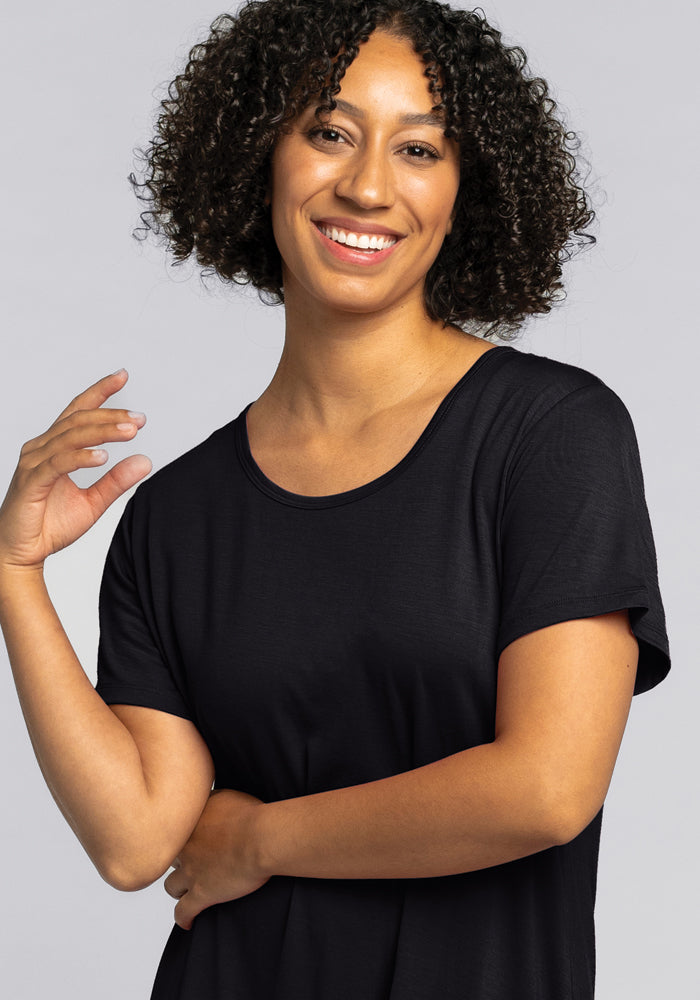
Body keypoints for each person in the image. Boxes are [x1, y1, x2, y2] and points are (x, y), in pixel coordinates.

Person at [0, 1, 670, 998]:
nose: (365, 185)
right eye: (329, 132)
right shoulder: (177, 516)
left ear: (463, 193)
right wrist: (15, 576)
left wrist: (263, 836)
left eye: (419, 150)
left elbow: (546, 787)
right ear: (257, 156)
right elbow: (137, 840)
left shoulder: (550, 434)